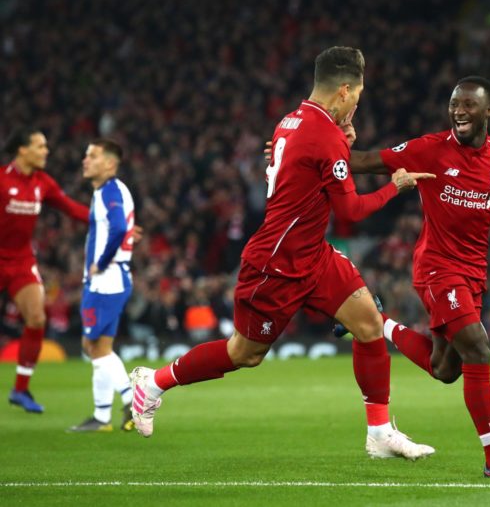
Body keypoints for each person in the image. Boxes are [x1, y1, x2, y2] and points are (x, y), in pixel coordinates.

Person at [129, 46, 436, 460]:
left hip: (314, 255)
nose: (357, 105)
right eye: (359, 95)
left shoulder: (292, 121)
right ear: (344, 90)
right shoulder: (324, 135)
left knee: (367, 324)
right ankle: (153, 383)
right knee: (244, 354)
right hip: (276, 263)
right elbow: (350, 211)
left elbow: (307, 167)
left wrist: (341, 146)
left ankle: (379, 434)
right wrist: (394, 187)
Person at [333, 76, 490, 478]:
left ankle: (376, 321)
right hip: (437, 268)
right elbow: (366, 162)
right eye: (453, 104)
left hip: (472, 273)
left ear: (488, 111)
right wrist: (315, 150)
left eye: (468, 105)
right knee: (478, 349)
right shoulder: (429, 149)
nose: (458, 111)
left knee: (446, 369)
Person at [2, 129, 90, 413]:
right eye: (40, 146)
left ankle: (20, 390)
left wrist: (110, 221)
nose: (46, 151)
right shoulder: (2, 179)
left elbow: (71, 208)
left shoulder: (43, 182)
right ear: (22, 149)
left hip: (21, 261)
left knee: (37, 318)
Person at [68, 139, 137, 432]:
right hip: (111, 278)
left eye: (93, 156)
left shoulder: (109, 190)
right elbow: (121, 226)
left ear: (109, 163)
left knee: (94, 347)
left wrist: (102, 261)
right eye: (86, 155)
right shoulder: (110, 190)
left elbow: (119, 227)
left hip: (106, 279)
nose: (86, 160)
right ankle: (103, 415)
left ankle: (132, 401)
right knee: (97, 346)